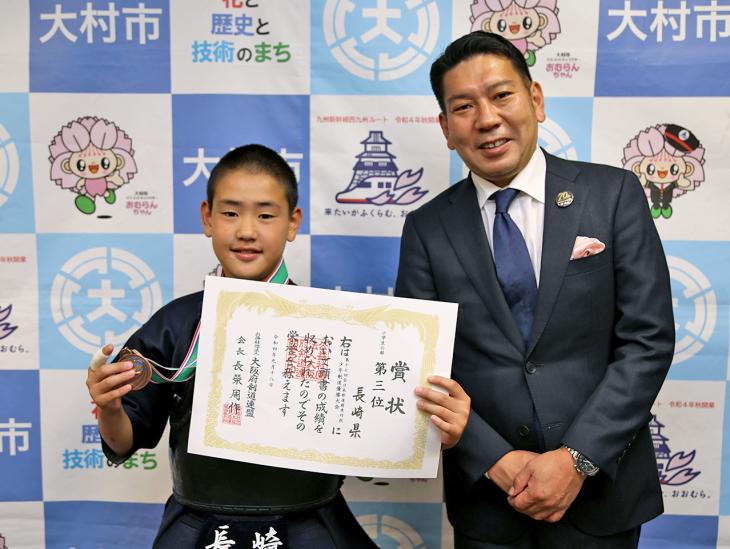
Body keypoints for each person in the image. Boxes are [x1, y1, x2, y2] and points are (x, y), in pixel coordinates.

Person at [86, 144, 470, 548]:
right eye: (230, 212)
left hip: (310, 526)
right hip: (201, 527)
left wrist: (435, 430)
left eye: (266, 215)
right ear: (207, 218)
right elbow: (124, 441)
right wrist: (110, 408)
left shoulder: (335, 326)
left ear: (292, 222)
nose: (247, 230)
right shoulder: (174, 326)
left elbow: (377, 446)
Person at [395, 32, 675, 548]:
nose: (486, 118)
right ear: (445, 128)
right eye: (463, 106)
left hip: (601, 497)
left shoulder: (612, 196)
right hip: (488, 504)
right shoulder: (427, 228)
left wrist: (577, 460)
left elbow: (647, 341)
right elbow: (421, 367)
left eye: (502, 95)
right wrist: (496, 460)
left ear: (536, 100)